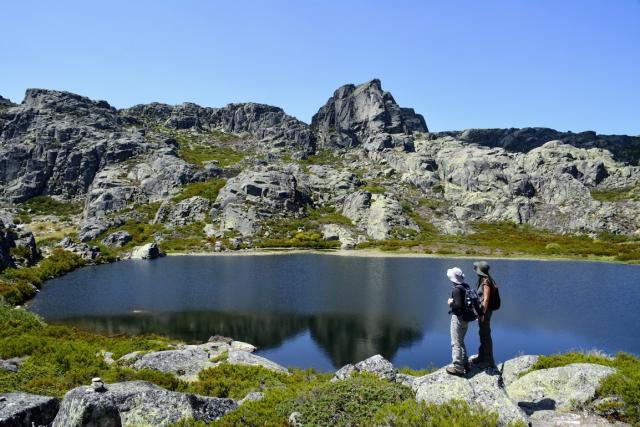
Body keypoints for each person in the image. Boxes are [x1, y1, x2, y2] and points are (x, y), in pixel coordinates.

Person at [470, 261, 497, 369]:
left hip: (485, 312)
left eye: (476, 268)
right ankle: (481, 356)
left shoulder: (486, 282)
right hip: (485, 312)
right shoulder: (487, 279)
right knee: (482, 334)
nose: (475, 270)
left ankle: (488, 361)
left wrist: (482, 314)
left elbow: (485, 300)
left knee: (485, 335)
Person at [446, 267, 471, 376]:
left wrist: (451, 303)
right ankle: (465, 363)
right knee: (461, 341)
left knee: (455, 342)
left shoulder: (456, 290)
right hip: (466, 319)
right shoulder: (466, 286)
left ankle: (458, 367)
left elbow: (458, 306)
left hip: (458, 319)